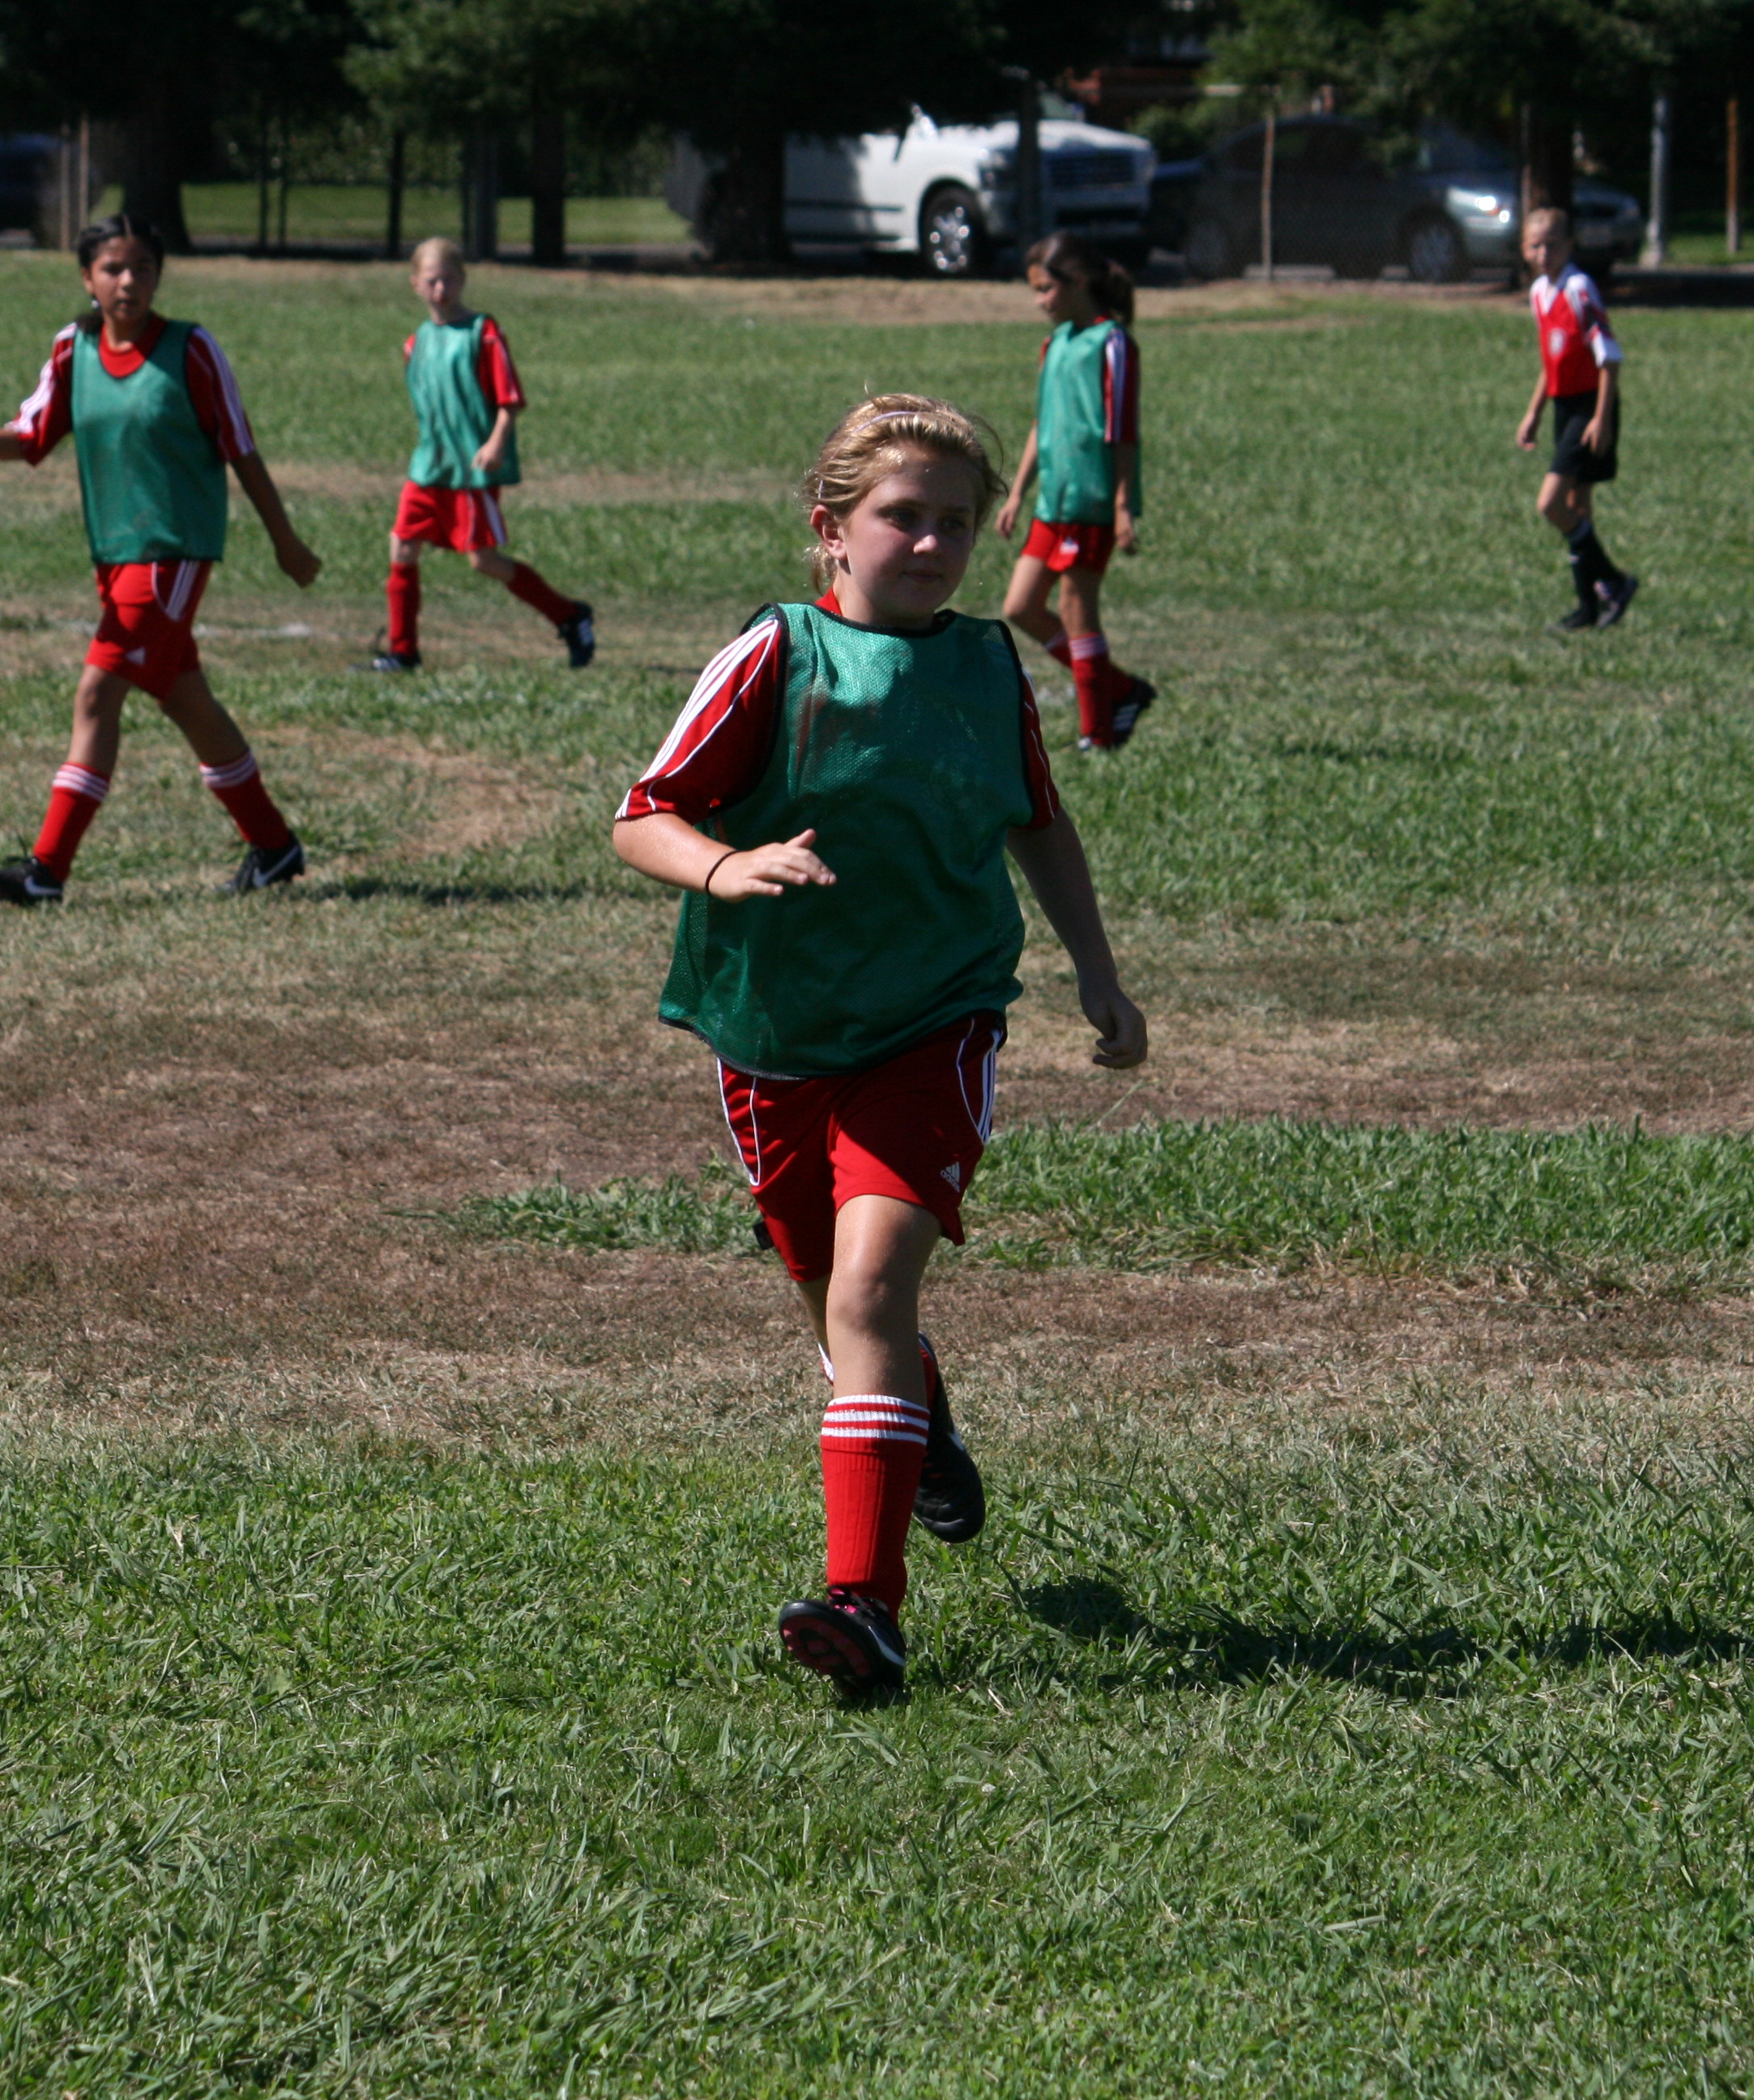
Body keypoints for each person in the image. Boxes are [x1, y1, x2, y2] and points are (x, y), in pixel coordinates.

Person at [613, 394, 1149, 1696]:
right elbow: (643, 815)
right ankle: (922, 1410)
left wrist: (1098, 972)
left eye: (956, 523)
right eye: (902, 517)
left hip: (935, 1020)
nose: (931, 545)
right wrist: (726, 864)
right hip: (773, 1034)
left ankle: (866, 1606)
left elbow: (1037, 820)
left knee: (866, 1291)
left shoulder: (984, 667)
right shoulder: (775, 656)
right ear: (830, 528)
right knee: (835, 1300)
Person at [0, 214, 323, 903]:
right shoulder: (73, 349)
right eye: (113, 269)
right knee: (186, 700)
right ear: (86, 279)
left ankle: (46, 872)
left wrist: (284, 539)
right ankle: (274, 846)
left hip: (171, 553)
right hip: (115, 555)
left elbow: (240, 447)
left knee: (97, 694)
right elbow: (33, 434)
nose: (129, 282)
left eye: (143, 268)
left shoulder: (191, 349)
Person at [366, 237, 597, 675]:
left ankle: (569, 615)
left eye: (449, 279)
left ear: (463, 280)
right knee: (402, 546)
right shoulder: (416, 343)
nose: (441, 289)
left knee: (485, 561)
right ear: (415, 284)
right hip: (429, 467)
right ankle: (402, 651)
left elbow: (510, 399)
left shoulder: (483, 333)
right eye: (431, 281)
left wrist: (495, 443)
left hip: (470, 470)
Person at [996, 234, 1155, 752]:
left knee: (1076, 609)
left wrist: (1123, 505)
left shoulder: (1113, 343)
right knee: (1021, 606)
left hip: (1091, 502)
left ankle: (1098, 734)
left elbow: (1122, 431)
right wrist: (1018, 494)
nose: (1040, 301)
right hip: (1052, 504)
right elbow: (1042, 425)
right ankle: (1121, 690)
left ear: (1080, 282)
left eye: (1046, 289)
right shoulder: (1055, 344)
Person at [1513, 208, 1637, 631]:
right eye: (1535, 246)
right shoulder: (1539, 293)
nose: (1544, 253)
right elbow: (1552, 362)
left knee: (1550, 504)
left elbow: (1609, 357)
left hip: (1590, 406)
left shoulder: (1579, 288)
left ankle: (1615, 582)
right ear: (1524, 250)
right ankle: (1589, 608)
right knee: (1576, 508)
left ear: (1569, 246)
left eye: (1552, 245)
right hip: (1564, 406)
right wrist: (1534, 412)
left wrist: (1601, 419)